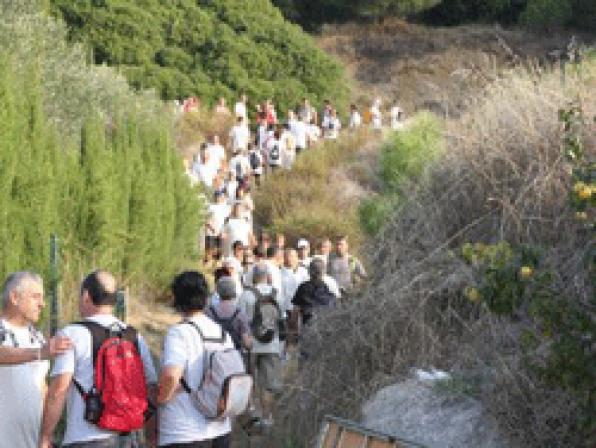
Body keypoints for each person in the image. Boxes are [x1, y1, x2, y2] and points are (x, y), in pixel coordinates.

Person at [41, 271, 158, 448]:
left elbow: (59, 389)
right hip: (128, 437)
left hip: (85, 438)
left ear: (86, 296)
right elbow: (151, 387)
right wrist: (151, 436)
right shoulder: (134, 336)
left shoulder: (72, 334)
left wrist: (45, 436)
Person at [157, 271, 233, 447]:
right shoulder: (222, 333)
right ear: (206, 297)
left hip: (183, 431)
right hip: (219, 428)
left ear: (177, 299)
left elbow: (171, 375)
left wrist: (160, 399)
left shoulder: (179, 332)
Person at [0, 272, 72, 448]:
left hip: (31, 441)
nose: (42, 304)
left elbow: (41, 386)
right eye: (35, 297)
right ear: (14, 297)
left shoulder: (36, 336)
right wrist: (39, 353)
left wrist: (47, 435)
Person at [240, 265, 282, 427]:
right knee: (268, 383)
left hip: (251, 344)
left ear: (254, 276)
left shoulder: (246, 295)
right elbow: (282, 317)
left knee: (249, 379)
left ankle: (251, 414)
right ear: (268, 276)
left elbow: (241, 320)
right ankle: (267, 417)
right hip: (272, 344)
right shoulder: (277, 294)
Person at [207, 277, 252, 351]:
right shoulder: (240, 313)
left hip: (214, 354)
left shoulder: (209, 312)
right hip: (235, 354)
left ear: (218, 291)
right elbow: (247, 343)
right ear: (233, 291)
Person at [291, 259, 336, 326]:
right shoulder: (331, 282)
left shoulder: (303, 287)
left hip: (309, 325)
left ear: (309, 271)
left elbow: (295, 310)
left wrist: (292, 324)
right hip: (326, 325)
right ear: (324, 271)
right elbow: (336, 305)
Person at [205, 191, 231, 262]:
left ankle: (216, 269)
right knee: (209, 252)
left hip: (221, 234)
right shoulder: (210, 207)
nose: (218, 198)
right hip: (210, 233)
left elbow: (227, 221)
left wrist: (224, 232)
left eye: (220, 196)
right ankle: (207, 267)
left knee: (219, 254)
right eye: (217, 196)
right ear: (214, 197)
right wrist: (213, 229)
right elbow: (206, 220)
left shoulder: (225, 208)